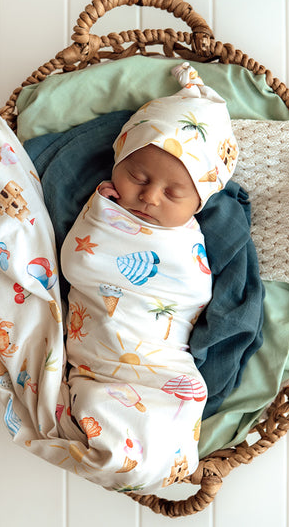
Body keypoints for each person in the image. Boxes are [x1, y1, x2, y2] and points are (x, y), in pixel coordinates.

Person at [57, 62, 239, 491]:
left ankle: (154, 457)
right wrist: (100, 217)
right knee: (98, 404)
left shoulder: (189, 237)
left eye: (174, 192)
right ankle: (123, 454)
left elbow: (194, 291)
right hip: (98, 357)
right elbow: (77, 265)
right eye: (138, 176)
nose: (150, 196)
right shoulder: (103, 209)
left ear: (199, 201)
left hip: (163, 356)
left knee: (188, 395)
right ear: (119, 159)